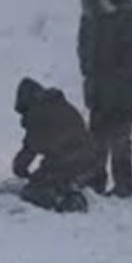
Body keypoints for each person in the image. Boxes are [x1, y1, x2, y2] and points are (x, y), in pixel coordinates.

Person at [77, 0, 132, 199]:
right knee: (96, 136)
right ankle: (94, 180)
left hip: (124, 91)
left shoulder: (129, 13)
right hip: (99, 89)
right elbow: (83, 46)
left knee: (120, 138)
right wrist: (88, 69)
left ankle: (124, 184)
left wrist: (121, 75)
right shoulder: (90, 16)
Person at [11, 77, 103, 213]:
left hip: (66, 162)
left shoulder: (37, 114)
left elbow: (30, 149)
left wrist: (20, 169)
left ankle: (64, 201)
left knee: (32, 191)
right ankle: (70, 189)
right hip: (90, 161)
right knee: (55, 177)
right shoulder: (61, 105)